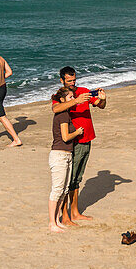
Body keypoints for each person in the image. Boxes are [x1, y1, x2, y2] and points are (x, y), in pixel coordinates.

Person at [52, 66, 105, 224]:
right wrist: (76, 100)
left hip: (87, 139)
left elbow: (101, 105)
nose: (73, 83)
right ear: (62, 80)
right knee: (69, 180)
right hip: (73, 142)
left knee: (77, 179)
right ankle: (66, 216)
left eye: (74, 80)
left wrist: (102, 98)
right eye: (69, 81)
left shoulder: (83, 90)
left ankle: (74, 212)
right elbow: (55, 109)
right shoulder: (61, 95)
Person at [47, 87, 84, 233]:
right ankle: (52, 223)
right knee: (57, 190)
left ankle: (56, 220)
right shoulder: (62, 115)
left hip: (66, 154)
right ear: (62, 100)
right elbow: (65, 137)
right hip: (59, 154)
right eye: (70, 97)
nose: (73, 99)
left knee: (64, 190)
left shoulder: (66, 114)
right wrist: (77, 132)